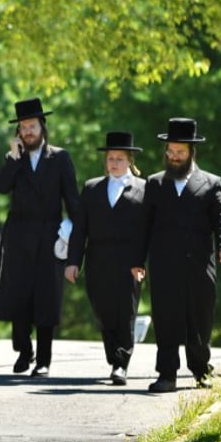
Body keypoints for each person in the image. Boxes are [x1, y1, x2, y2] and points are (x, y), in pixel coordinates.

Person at [143, 117, 221, 393]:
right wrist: (137, 261)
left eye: (179, 153)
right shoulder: (155, 184)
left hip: (199, 265)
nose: (174, 157)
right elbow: (143, 226)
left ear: (191, 153)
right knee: (166, 320)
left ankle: (200, 369)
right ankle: (167, 374)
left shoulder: (210, 183)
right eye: (170, 152)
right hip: (163, 265)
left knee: (200, 320)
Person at [0, 98, 80, 377]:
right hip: (18, 238)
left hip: (49, 238)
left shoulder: (59, 157)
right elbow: (1, 187)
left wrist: (73, 237)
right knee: (18, 297)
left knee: (46, 300)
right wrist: (14, 159)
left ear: (42, 127)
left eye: (32, 126)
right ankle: (24, 351)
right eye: (23, 127)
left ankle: (43, 359)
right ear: (18, 132)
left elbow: (73, 201)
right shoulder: (13, 158)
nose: (28, 131)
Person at [65, 131, 148, 386]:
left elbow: (146, 230)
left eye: (120, 158)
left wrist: (140, 263)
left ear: (129, 160)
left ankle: (121, 363)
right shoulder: (92, 188)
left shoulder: (144, 189)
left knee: (125, 313)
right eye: (111, 158)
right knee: (103, 312)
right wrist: (73, 262)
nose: (114, 163)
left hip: (129, 262)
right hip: (98, 259)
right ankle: (114, 357)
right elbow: (80, 229)